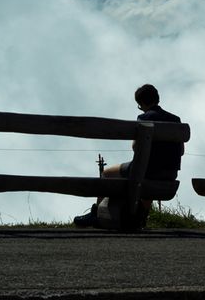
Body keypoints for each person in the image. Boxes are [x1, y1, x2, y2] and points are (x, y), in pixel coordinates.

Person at [73, 84, 184, 227]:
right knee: (148, 179)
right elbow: (181, 151)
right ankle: (141, 218)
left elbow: (136, 147)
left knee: (107, 173)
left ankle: (96, 215)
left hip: (146, 171)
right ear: (157, 98)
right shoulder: (176, 119)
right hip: (169, 174)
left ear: (141, 103)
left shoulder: (144, 117)